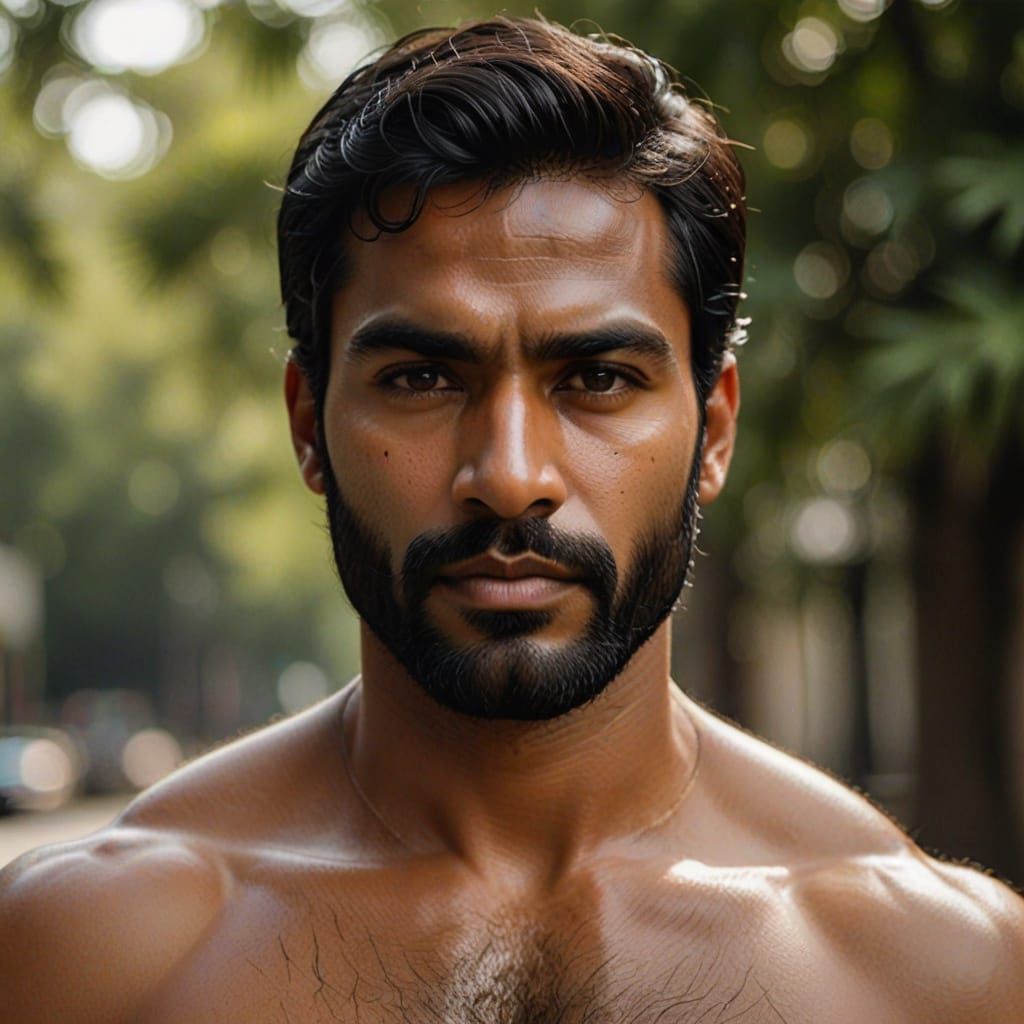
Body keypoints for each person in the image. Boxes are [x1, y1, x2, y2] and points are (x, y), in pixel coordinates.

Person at [2, 15, 1022, 1023]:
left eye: (595, 377)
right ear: (310, 426)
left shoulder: (937, 971)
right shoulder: (91, 953)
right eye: (420, 376)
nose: (510, 475)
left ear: (712, 431)